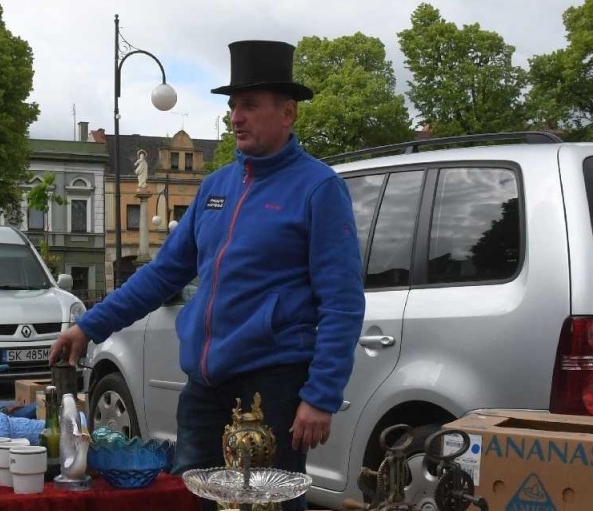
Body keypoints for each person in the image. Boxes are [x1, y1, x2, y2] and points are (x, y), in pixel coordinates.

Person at [49, 40, 365, 481]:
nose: (235, 117)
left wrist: (321, 396)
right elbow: (163, 275)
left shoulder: (319, 188)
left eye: (250, 106)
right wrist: (89, 326)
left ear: (288, 112)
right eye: (234, 106)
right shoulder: (216, 186)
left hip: (271, 388)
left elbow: (343, 303)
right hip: (204, 387)